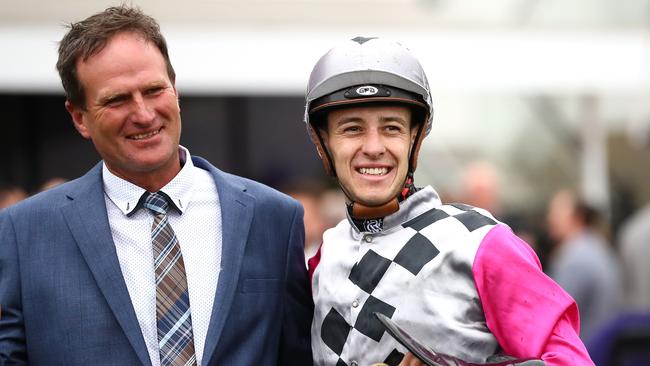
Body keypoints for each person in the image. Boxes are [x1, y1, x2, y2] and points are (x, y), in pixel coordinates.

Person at [0, 6, 312, 366]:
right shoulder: (24, 234)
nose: (144, 114)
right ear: (79, 118)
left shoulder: (273, 217)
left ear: (175, 90)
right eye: (116, 99)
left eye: (153, 90)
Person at [303, 37, 594, 366]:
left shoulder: (483, 242)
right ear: (322, 143)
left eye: (392, 128)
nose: (373, 146)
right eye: (352, 129)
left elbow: (572, 361)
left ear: (416, 138)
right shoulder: (325, 255)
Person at [546, 189, 622, 341]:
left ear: (578, 218)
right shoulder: (597, 245)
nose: (550, 219)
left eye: (556, 213)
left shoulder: (575, 257)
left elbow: (551, 311)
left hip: (586, 349)